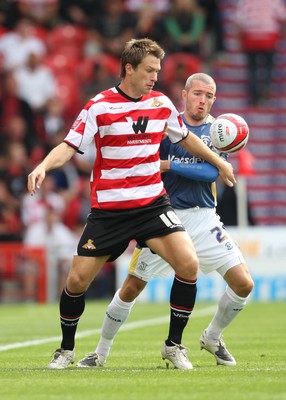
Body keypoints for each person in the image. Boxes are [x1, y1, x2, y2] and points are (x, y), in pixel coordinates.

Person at [27, 39, 236, 370]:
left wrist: (220, 163)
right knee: (77, 281)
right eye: (150, 70)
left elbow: (187, 138)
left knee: (188, 265)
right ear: (129, 69)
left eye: (158, 70)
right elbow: (69, 145)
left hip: (152, 205)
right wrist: (42, 166)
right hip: (109, 212)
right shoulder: (99, 106)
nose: (155, 76)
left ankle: (173, 345)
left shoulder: (161, 104)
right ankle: (66, 350)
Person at [76, 73, 254, 370]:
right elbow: (147, 164)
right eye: (198, 93)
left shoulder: (219, 131)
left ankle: (212, 336)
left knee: (244, 283)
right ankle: (100, 352)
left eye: (209, 96)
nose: (203, 100)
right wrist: (177, 164)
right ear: (184, 95)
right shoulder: (163, 125)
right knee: (132, 287)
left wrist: (170, 164)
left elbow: (212, 174)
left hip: (204, 217)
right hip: (163, 219)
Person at [233, 0, 286, 106]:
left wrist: (238, 39)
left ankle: (254, 98)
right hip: (269, 37)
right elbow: (283, 16)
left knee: (252, 69)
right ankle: (266, 89)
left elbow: (238, 21)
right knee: (269, 66)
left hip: (250, 37)